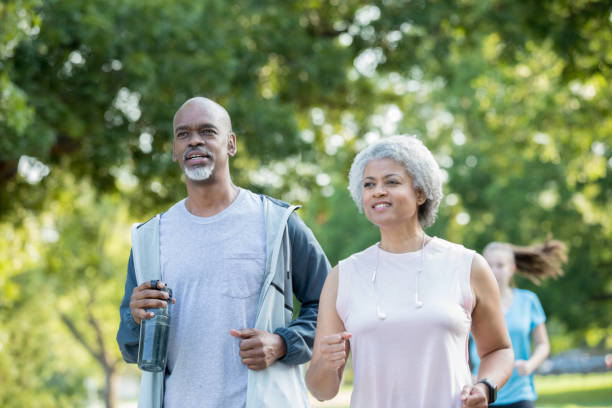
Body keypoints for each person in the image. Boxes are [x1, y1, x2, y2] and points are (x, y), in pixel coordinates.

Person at [116, 96, 330, 408]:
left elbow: (330, 304)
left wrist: (283, 343)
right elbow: (130, 348)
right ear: (175, 151)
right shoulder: (149, 238)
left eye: (207, 131)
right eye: (183, 134)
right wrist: (136, 318)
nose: (195, 141)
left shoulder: (276, 223)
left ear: (230, 144)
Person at [305, 135, 514, 408]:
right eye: (369, 184)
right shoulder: (342, 276)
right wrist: (324, 362)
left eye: (391, 182)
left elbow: (499, 350)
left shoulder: (467, 265)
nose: (378, 191)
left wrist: (485, 387)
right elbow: (322, 390)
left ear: (420, 192)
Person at [470, 240, 567, 408]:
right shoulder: (473, 302)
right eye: (489, 265)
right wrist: (467, 374)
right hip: (482, 392)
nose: (494, 271)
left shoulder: (528, 300)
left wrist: (530, 365)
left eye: (500, 265)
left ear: (512, 269)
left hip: (520, 394)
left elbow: (543, 344)